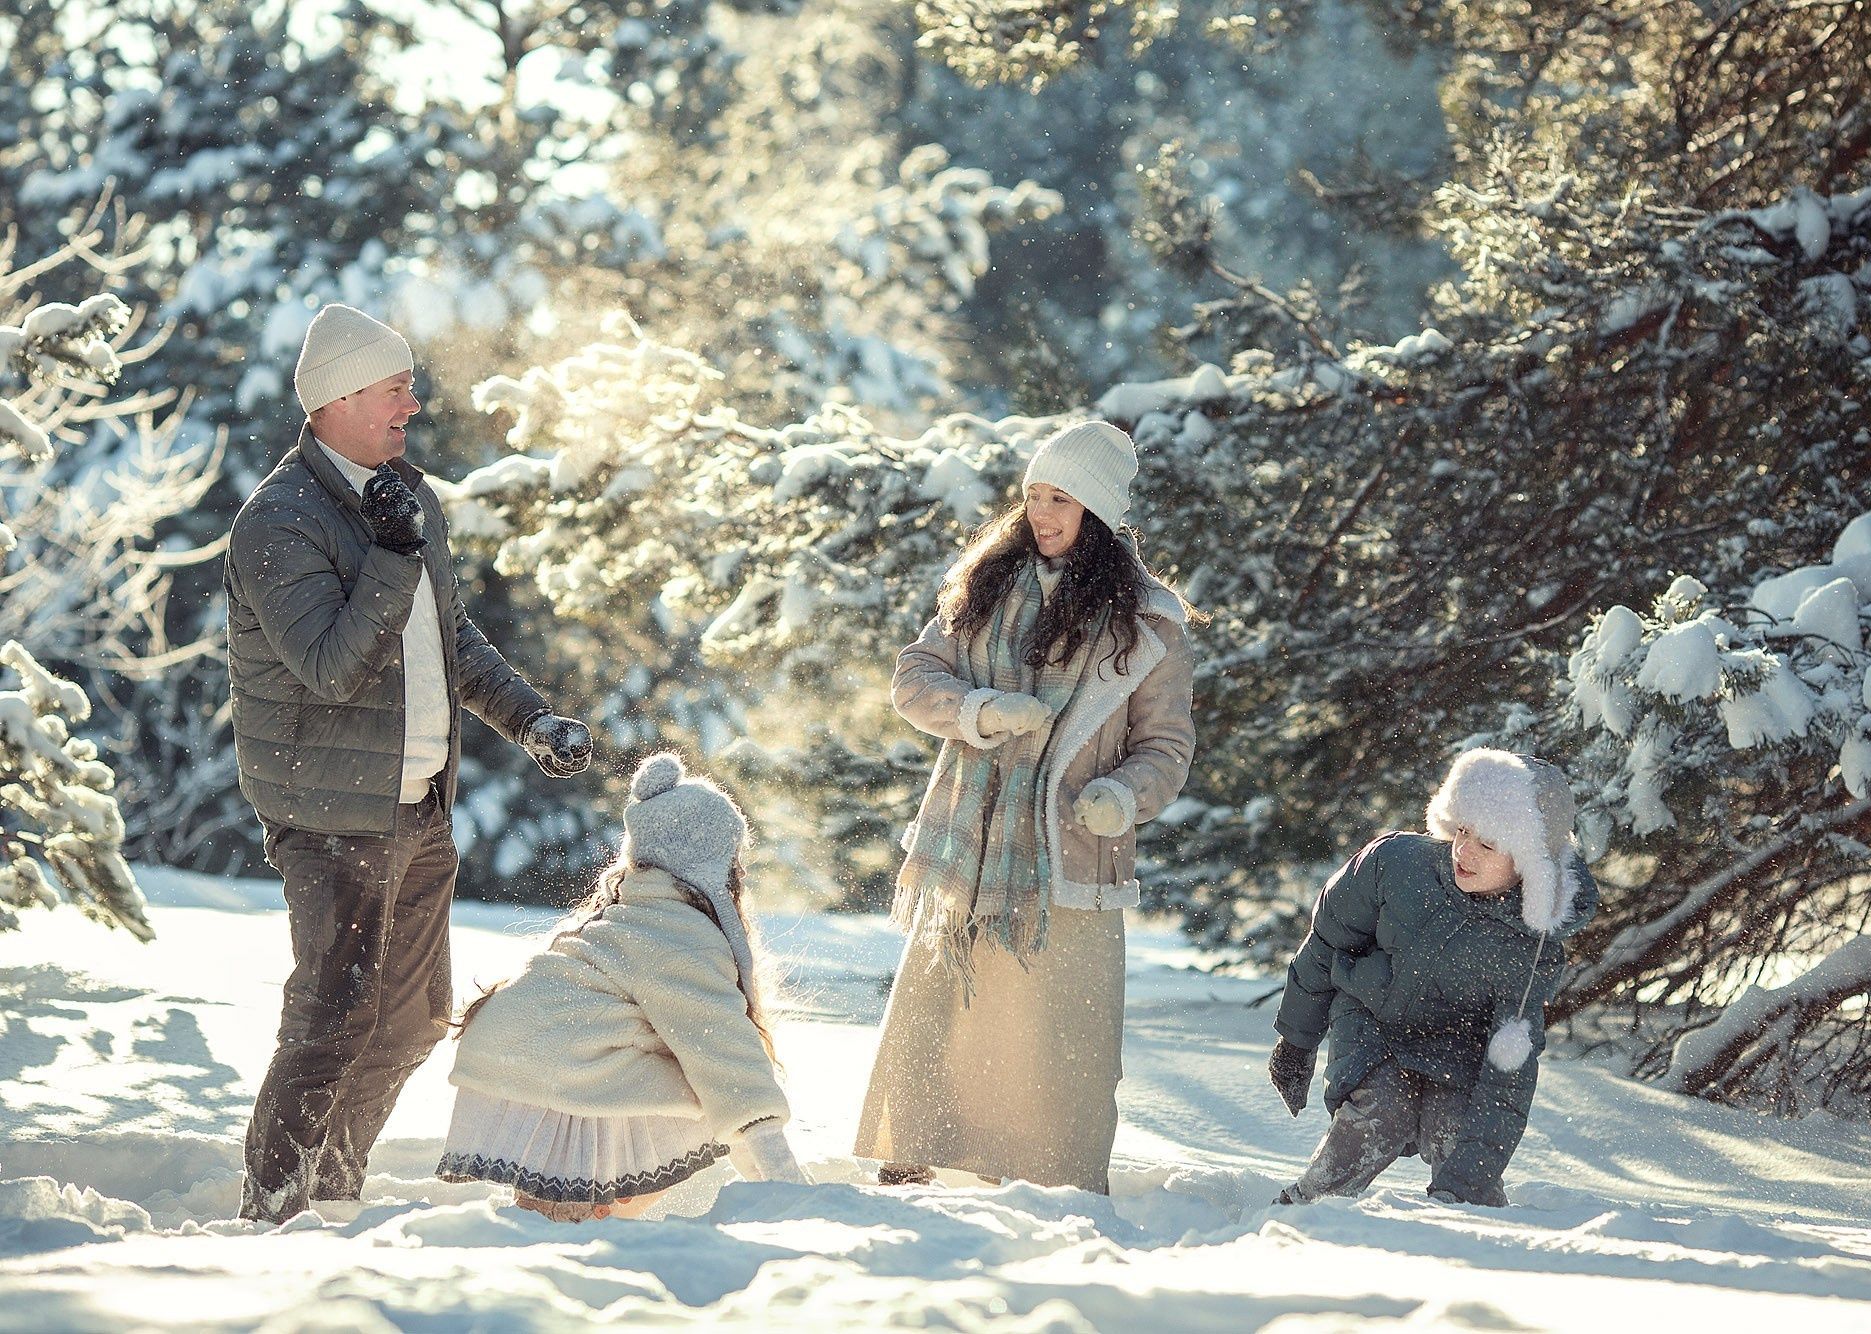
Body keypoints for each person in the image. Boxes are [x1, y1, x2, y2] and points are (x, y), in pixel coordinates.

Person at [225, 303, 596, 1224]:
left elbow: (448, 637)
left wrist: (529, 718)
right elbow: (332, 668)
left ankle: (332, 1191)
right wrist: (391, 555)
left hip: (418, 806)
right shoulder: (277, 522)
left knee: (411, 1019)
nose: (412, 405)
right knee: (331, 1019)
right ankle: (272, 1209)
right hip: (333, 812)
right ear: (339, 397)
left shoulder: (406, 496)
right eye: (395, 390)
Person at [854, 419, 1198, 1194]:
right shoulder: (984, 588)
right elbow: (914, 678)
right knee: (943, 1014)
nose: (1042, 513)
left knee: (1056, 1038)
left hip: (1072, 854)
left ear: (1100, 512)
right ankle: (911, 1155)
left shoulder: (1150, 627)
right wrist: (980, 709)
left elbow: (1166, 747)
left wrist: (1121, 796)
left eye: (1062, 499)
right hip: (968, 849)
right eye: (1034, 495)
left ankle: (1056, 1184)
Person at [439, 751, 808, 1220]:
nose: (741, 873)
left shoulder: (631, 915)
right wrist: (787, 1184)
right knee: (705, 1090)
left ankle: (561, 1215)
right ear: (709, 863)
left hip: (518, 1058)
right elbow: (724, 1053)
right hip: (560, 1067)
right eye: (733, 859)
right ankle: (590, 1218)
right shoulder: (677, 935)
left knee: (700, 1090)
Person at [1266, 748, 1599, 1208]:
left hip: (1458, 1046)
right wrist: (1297, 1041)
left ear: (1528, 860)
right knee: (1382, 1112)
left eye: (1488, 844)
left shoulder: (1530, 945)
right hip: (1372, 1023)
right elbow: (1326, 942)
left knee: (1456, 1137)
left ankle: (1469, 1228)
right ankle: (1305, 1208)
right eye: (1462, 830)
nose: (1464, 850)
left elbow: (1510, 1064)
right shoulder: (1396, 865)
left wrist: (1464, 1184)